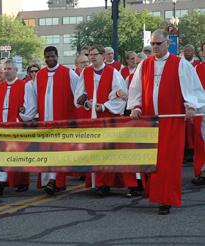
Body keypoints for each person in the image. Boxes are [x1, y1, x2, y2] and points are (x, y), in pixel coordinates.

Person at [128, 30, 205, 215]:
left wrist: (191, 106)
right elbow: (135, 88)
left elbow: (193, 89)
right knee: (151, 159)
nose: (154, 47)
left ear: (167, 43)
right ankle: (154, 193)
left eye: (158, 44)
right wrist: (136, 107)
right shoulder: (144, 65)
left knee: (169, 161)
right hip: (150, 121)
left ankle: (167, 199)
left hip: (171, 121)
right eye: (152, 44)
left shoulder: (181, 65)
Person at [74, 44, 139, 197]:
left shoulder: (113, 72)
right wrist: (84, 102)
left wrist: (103, 107)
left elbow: (120, 96)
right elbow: (79, 95)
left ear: (103, 56)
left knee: (117, 152)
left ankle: (133, 185)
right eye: (90, 55)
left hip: (110, 117)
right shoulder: (86, 72)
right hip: (94, 119)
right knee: (99, 152)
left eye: (95, 54)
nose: (92, 57)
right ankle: (102, 184)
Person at [34, 46, 79, 195]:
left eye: (52, 56)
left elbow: (79, 94)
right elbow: (35, 97)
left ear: (57, 56)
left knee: (58, 151)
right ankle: (49, 181)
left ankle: (55, 181)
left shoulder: (68, 73)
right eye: (47, 57)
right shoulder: (40, 75)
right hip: (44, 121)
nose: (49, 59)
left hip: (61, 120)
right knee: (47, 151)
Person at [0, 59, 37, 195]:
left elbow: (32, 106)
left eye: (10, 69)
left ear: (16, 70)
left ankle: (19, 182)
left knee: (16, 155)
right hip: (1, 126)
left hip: (16, 126)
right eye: (5, 69)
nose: (7, 71)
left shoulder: (25, 85)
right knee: (1, 154)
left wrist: (20, 119)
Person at [192, 41, 205, 186]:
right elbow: (193, 90)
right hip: (203, 109)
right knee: (201, 141)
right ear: (202, 53)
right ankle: (202, 171)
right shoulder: (197, 69)